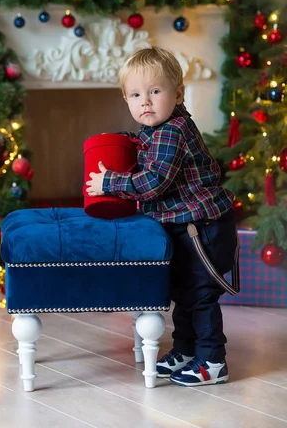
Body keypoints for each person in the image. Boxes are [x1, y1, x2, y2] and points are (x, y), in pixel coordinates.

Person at [85, 46, 238, 387]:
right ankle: (185, 349)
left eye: (155, 91)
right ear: (126, 99)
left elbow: (153, 182)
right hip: (186, 226)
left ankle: (213, 360)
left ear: (178, 94)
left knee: (200, 295)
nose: (146, 102)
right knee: (183, 292)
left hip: (204, 229)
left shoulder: (173, 131)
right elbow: (143, 147)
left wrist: (109, 181)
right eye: (136, 95)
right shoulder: (156, 131)